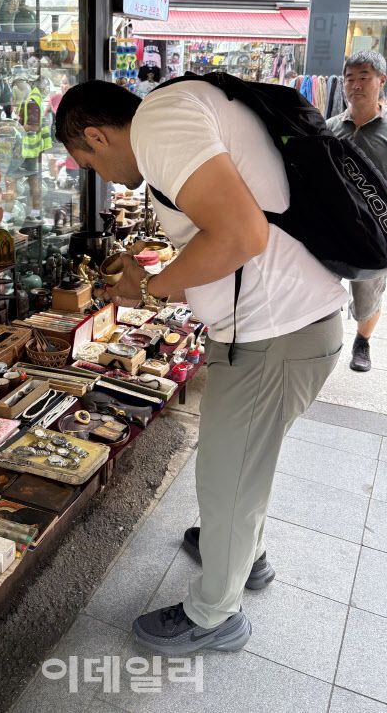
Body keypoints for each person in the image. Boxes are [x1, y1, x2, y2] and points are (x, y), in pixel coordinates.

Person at [55, 77, 346, 655]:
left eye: (88, 162)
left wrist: (156, 287)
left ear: (96, 134)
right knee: (241, 463)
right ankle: (239, 556)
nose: (100, 177)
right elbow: (231, 234)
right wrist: (162, 279)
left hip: (275, 335)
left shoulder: (159, 124)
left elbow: (242, 234)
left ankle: (215, 615)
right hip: (284, 328)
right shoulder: (178, 109)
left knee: (227, 475)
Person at [327, 52, 387, 372]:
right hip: (333, 229)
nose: (355, 84)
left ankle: (362, 342)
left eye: (364, 77)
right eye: (350, 78)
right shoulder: (330, 128)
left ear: (381, 80)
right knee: (318, 287)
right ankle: (321, 340)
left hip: (377, 233)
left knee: (368, 298)